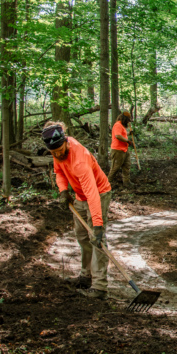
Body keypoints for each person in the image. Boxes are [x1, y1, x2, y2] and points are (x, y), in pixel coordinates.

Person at [42, 121, 111, 299]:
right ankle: (85, 276)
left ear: (66, 141)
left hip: (98, 194)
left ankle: (100, 287)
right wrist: (63, 191)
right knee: (82, 236)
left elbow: (93, 194)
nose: (57, 154)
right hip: (80, 196)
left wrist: (97, 225)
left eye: (59, 150)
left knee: (96, 240)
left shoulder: (79, 160)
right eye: (53, 153)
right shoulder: (56, 151)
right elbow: (59, 172)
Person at [109, 111, 135, 187]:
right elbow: (118, 136)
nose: (128, 122)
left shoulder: (122, 126)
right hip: (118, 150)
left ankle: (126, 182)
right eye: (127, 120)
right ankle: (108, 183)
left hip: (124, 149)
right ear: (124, 119)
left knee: (127, 166)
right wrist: (128, 141)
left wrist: (129, 134)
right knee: (115, 167)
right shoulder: (118, 125)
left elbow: (122, 134)